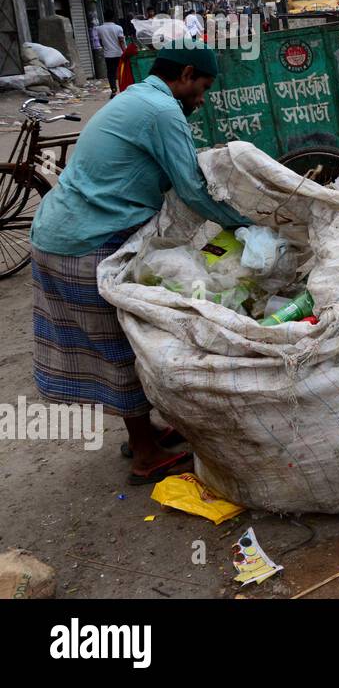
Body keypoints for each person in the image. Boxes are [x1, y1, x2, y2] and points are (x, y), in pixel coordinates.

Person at [30, 40, 248, 485]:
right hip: (82, 242)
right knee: (123, 345)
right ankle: (145, 455)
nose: (202, 99)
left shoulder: (135, 98)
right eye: (201, 87)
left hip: (58, 234)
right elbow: (190, 188)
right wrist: (244, 224)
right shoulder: (162, 110)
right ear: (185, 74)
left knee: (119, 340)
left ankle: (142, 431)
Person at [93, 17, 126, 97]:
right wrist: (125, 51)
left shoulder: (99, 29)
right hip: (119, 53)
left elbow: (100, 41)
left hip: (108, 55)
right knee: (122, 72)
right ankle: (124, 90)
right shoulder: (118, 28)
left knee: (111, 73)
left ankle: (114, 91)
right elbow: (121, 41)